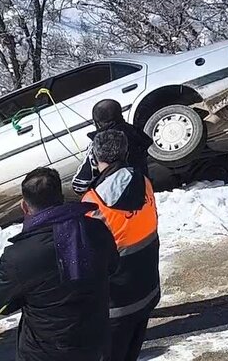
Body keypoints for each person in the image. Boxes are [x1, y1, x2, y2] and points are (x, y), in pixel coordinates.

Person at [0, 167, 119, 361]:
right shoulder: (95, 228)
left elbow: (1, 304)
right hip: (95, 341)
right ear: (61, 197)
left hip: (45, 352)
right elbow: (112, 267)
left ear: (25, 207)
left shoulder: (18, 255)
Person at [82, 129, 161, 361]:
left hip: (115, 303)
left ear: (95, 158)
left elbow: (89, 257)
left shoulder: (92, 202)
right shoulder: (143, 182)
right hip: (147, 289)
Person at [71, 99, 152, 196]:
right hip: (145, 194)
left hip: (114, 202)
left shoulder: (100, 144)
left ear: (97, 123)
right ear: (121, 115)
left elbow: (79, 185)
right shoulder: (135, 133)